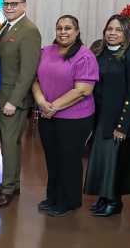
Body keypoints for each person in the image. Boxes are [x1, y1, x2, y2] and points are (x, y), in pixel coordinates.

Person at [32, 15, 99, 217]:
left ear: (77, 31)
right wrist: (42, 102)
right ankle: (53, 196)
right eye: (59, 27)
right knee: (52, 158)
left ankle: (68, 201)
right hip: (47, 114)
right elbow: (34, 79)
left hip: (75, 119)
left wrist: (54, 106)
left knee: (68, 159)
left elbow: (83, 90)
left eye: (68, 28)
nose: (63, 31)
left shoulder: (85, 56)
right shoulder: (46, 51)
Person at [84, 15, 130, 217]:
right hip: (101, 118)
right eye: (109, 29)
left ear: (126, 33)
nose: (112, 33)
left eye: (118, 30)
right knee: (101, 160)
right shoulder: (99, 53)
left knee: (115, 163)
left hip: (119, 120)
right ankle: (103, 197)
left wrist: (123, 126)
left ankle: (114, 201)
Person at [0, 0, 42, 210]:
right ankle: (12, 183)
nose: (9, 7)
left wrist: (14, 100)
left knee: (9, 144)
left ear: (24, 6)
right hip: (0, 95)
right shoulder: (7, 27)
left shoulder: (29, 31)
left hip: (13, 99)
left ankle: (7, 190)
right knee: (9, 143)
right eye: (6, 4)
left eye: (14, 4)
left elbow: (28, 71)